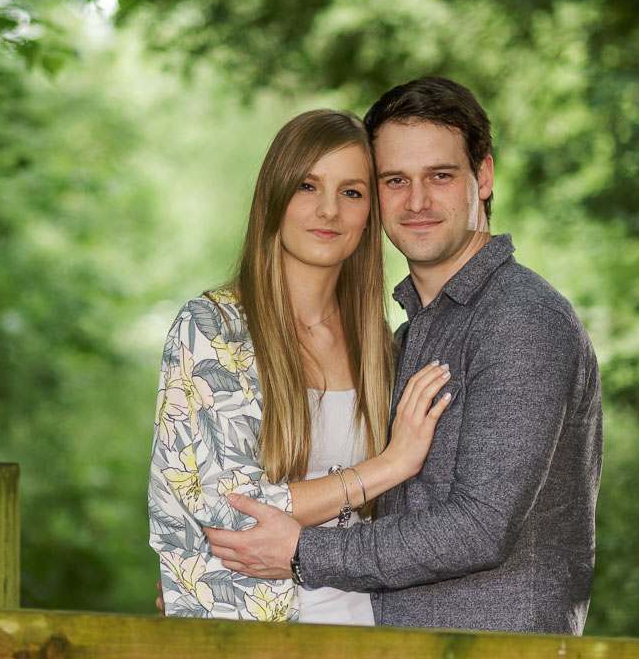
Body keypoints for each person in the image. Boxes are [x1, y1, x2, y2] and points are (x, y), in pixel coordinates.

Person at [204, 77, 604, 634]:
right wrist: (218, 580)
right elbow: (360, 497)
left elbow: (481, 526)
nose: (416, 202)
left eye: (440, 176)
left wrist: (301, 553)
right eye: (395, 180)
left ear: (483, 177)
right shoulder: (405, 338)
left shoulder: (521, 319)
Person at [148, 109, 454, 623]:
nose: (329, 211)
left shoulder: (382, 347)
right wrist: (388, 465)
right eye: (308, 186)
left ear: (370, 214)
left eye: (352, 192)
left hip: (367, 632)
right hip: (249, 636)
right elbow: (231, 509)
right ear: (275, 197)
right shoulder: (212, 328)